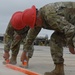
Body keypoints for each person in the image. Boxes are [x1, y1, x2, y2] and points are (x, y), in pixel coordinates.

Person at [20, 2, 75, 75]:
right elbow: (30, 37)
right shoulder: (38, 19)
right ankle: (59, 70)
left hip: (71, 26)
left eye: (35, 24)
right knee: (55, 39)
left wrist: (70, 45)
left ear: (37, 19)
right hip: (70, 24)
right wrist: (25, 52)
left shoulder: (50, 15)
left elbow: (70, 30)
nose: (35, 26)